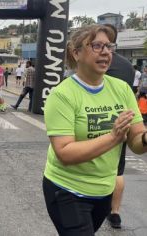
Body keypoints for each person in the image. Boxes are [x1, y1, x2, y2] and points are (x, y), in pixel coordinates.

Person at [43, 24, 147, 235]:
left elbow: (136, 141)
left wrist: (145, 139)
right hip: (67, 190)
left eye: (109, 46)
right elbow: (64, 152)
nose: (106, 52)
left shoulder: (122, 89)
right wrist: (113, 137)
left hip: (104, 191)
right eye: (97, 45)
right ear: (76, 52)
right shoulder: (62, 95)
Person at [103, 23, 135, 229]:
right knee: (118, 170)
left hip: (97, 121)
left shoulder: (96, 61)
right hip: (123, 121)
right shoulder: (128, 66)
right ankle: (115, 213)